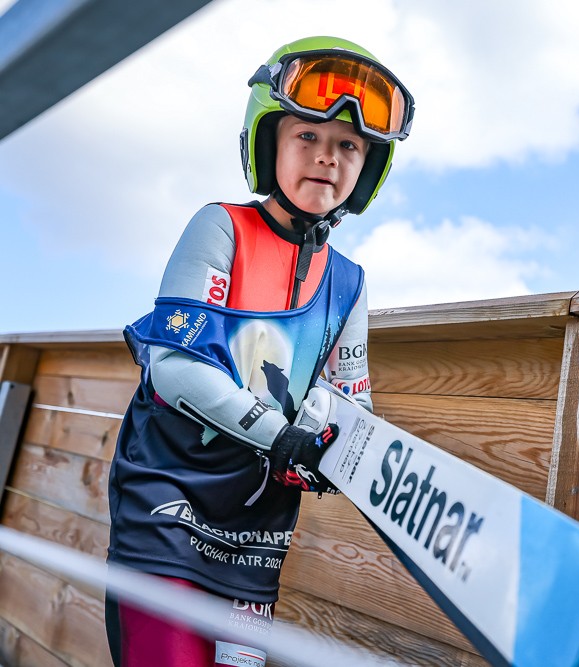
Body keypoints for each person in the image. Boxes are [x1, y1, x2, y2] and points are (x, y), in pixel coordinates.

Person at [105, 35, 415, 667]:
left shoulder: (349, 281)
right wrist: (283, 436)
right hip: (170, 507)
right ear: (267, 140)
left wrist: (336, 448)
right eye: (308, 136)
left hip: (257, 534)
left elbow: (351, 400)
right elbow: (174, 367)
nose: (327, 157)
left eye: (349, 146)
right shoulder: (221, 226)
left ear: (367, 168)